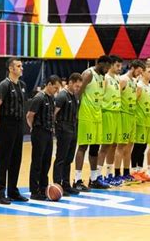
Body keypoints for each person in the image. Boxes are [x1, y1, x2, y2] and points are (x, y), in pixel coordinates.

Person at [73, 55, 112, 192]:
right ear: (99, 63)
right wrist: (75, 113)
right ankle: (77, 179)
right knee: (83, 147)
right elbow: (77, 93)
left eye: (109, 67)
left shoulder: (102, 77)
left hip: (97, 116)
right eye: (106, 66)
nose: (107, 70)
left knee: (95, 148)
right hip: (86, 115)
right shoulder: (89, 74)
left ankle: (94, 179)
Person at [0, 58, 28, 204]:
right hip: (7, 123)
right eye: (19, 66)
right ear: (11, 69)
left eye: (21, 66)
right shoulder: (4, 85)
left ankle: (13, 191)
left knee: (16, 158)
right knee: (3, 159)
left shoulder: (22, 85)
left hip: (19, 124)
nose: (21, 68)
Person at [27, 75, 62, 200]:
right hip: (39, 132)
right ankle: (34, 190)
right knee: (37, 162)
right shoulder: (39, 98)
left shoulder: (52, 98)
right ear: (49, 84)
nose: (56, 91)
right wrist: (33, 128)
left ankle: (43, 188)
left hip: (48, 133)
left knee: (46, 162)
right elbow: (30, 115)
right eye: (55, 88)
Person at [115, 60, 145, 185]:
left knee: (129, 146)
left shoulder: (134, 82)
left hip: (132, 116)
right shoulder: (123, 79)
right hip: (123, 115)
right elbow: (116, 96)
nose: (140, 74)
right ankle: (117, 174)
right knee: (121, 146)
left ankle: (126, 173)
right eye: (139, 71)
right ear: (132, 68)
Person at [53, 73, 82, 196]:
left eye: (79, 86)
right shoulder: (62, 96)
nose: (78, 88)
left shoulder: (74, 96)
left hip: (73, 129)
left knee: (69, 159)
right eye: (76, 86)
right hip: (63, 129)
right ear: (70, 83)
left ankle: (66, 184)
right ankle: (57, 184)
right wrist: (56, 129)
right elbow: (54, 113)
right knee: (61, 158)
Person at [97, 55, 123, 188]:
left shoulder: (117, 79)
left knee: (113, 145)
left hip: (116, 114)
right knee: (105, 146)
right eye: (117, 65)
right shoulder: (105, 78)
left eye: (121, 66)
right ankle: (98, 175)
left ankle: (109, 174)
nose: (120, 68)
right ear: (111, 65)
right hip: (107, 113)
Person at [130, 65, 150, 181]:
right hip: (140, 120)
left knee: (144, 146)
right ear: (143, 73)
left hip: (148, 121)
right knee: (138, 146)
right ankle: (134, 170)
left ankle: (141, 170)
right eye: (149, 71)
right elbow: (134, 102)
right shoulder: (139, 86)